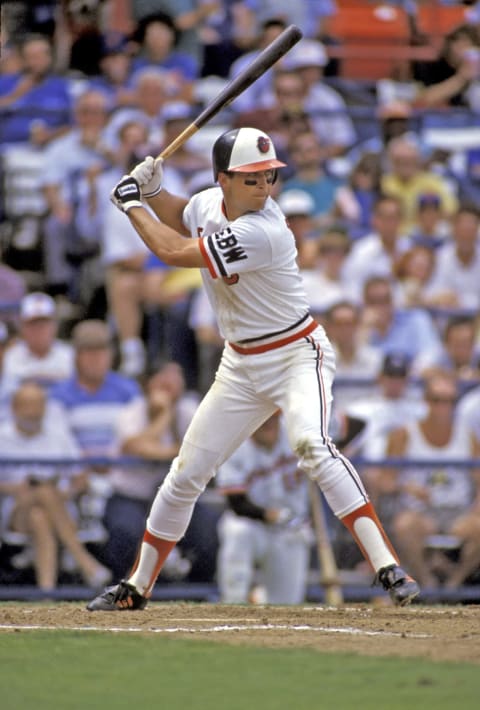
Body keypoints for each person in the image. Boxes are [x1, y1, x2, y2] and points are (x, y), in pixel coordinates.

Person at [87, 125, 420, 611]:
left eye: (269, 177)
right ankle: (136, 586)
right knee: (185, 473)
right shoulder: (208, 201)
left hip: (295, 354)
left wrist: (133, 203)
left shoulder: (264, 230)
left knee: (313, 445)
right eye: (252, 178)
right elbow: (184, 216)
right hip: (241, 362)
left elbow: (173, 251)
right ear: (222, 179)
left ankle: (387, 566)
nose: (264, 188)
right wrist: (155, 191)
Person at [0, 381, 111, 592]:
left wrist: (68, 491)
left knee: (39, 515)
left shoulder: (59, 436)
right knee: (41, 491)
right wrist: (15, 488)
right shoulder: (1, 436)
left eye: (39, 405)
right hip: (16, 511)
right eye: (27, 405)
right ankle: (84, 561)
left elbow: (81, 475)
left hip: (59, 507)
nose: (34, 412)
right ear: (14, 407)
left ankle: (47, 594)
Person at [384, 370, 480, 589]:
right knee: (405, 525)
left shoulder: (468, 436)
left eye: (449, 401)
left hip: (458, 512)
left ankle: (455, 582)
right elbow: (385, 480)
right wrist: (406, 487)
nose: (442, 407)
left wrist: (477, 505)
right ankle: (426, 582)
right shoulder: (404, 434)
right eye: (437, 400)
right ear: (426, 401)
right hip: (420, 512)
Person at [216, 412, 312, 604]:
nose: (268, 424)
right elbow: (236, 502)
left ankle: (260, 600)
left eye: (272, 418)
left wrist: (332, 452)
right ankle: (233, 602)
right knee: (237, 531)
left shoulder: (300, 433)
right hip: (253, 524)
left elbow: (352, 426)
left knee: (287, 604)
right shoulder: (233, 443)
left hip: (291, 527)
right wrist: (269, 515)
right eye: (261, 419)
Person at [0, 291, 74, 399]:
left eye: (44, 324)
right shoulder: (10, 356)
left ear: (55, 326)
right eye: (32, 324)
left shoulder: (70, 355)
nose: (39, 330)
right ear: (22, 327)